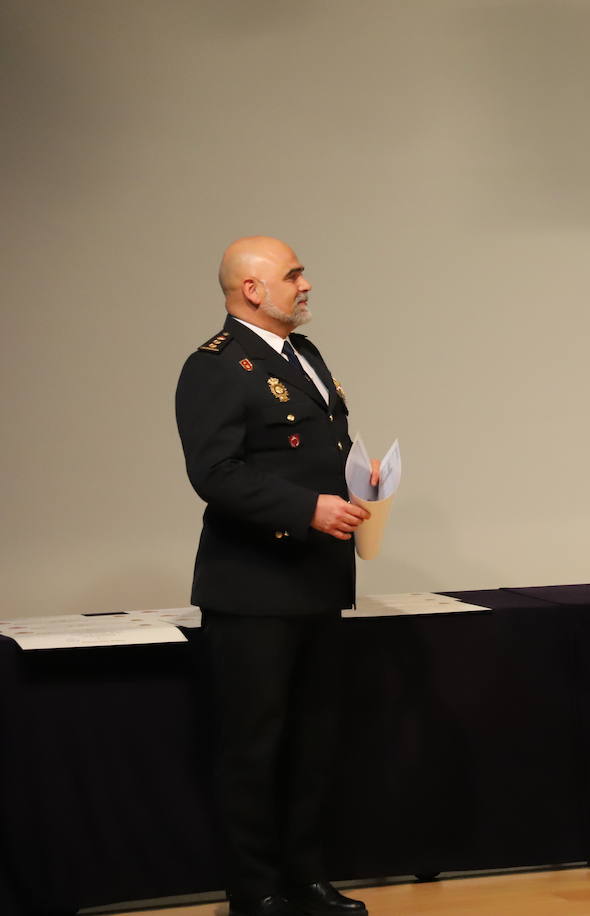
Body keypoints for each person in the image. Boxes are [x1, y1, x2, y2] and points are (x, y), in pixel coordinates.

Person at [175, 237, 374, 916]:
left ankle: (306, 878)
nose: (307, 283)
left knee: (313, 740)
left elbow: (315, 452)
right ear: (251, 289)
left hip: (316, 580)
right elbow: (215, 472)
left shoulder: (304, 357)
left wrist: (359, 484)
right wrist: (305, 508)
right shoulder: (216, 367)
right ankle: (255, 891)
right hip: (253, 586)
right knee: (254, 748)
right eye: (293, 275)